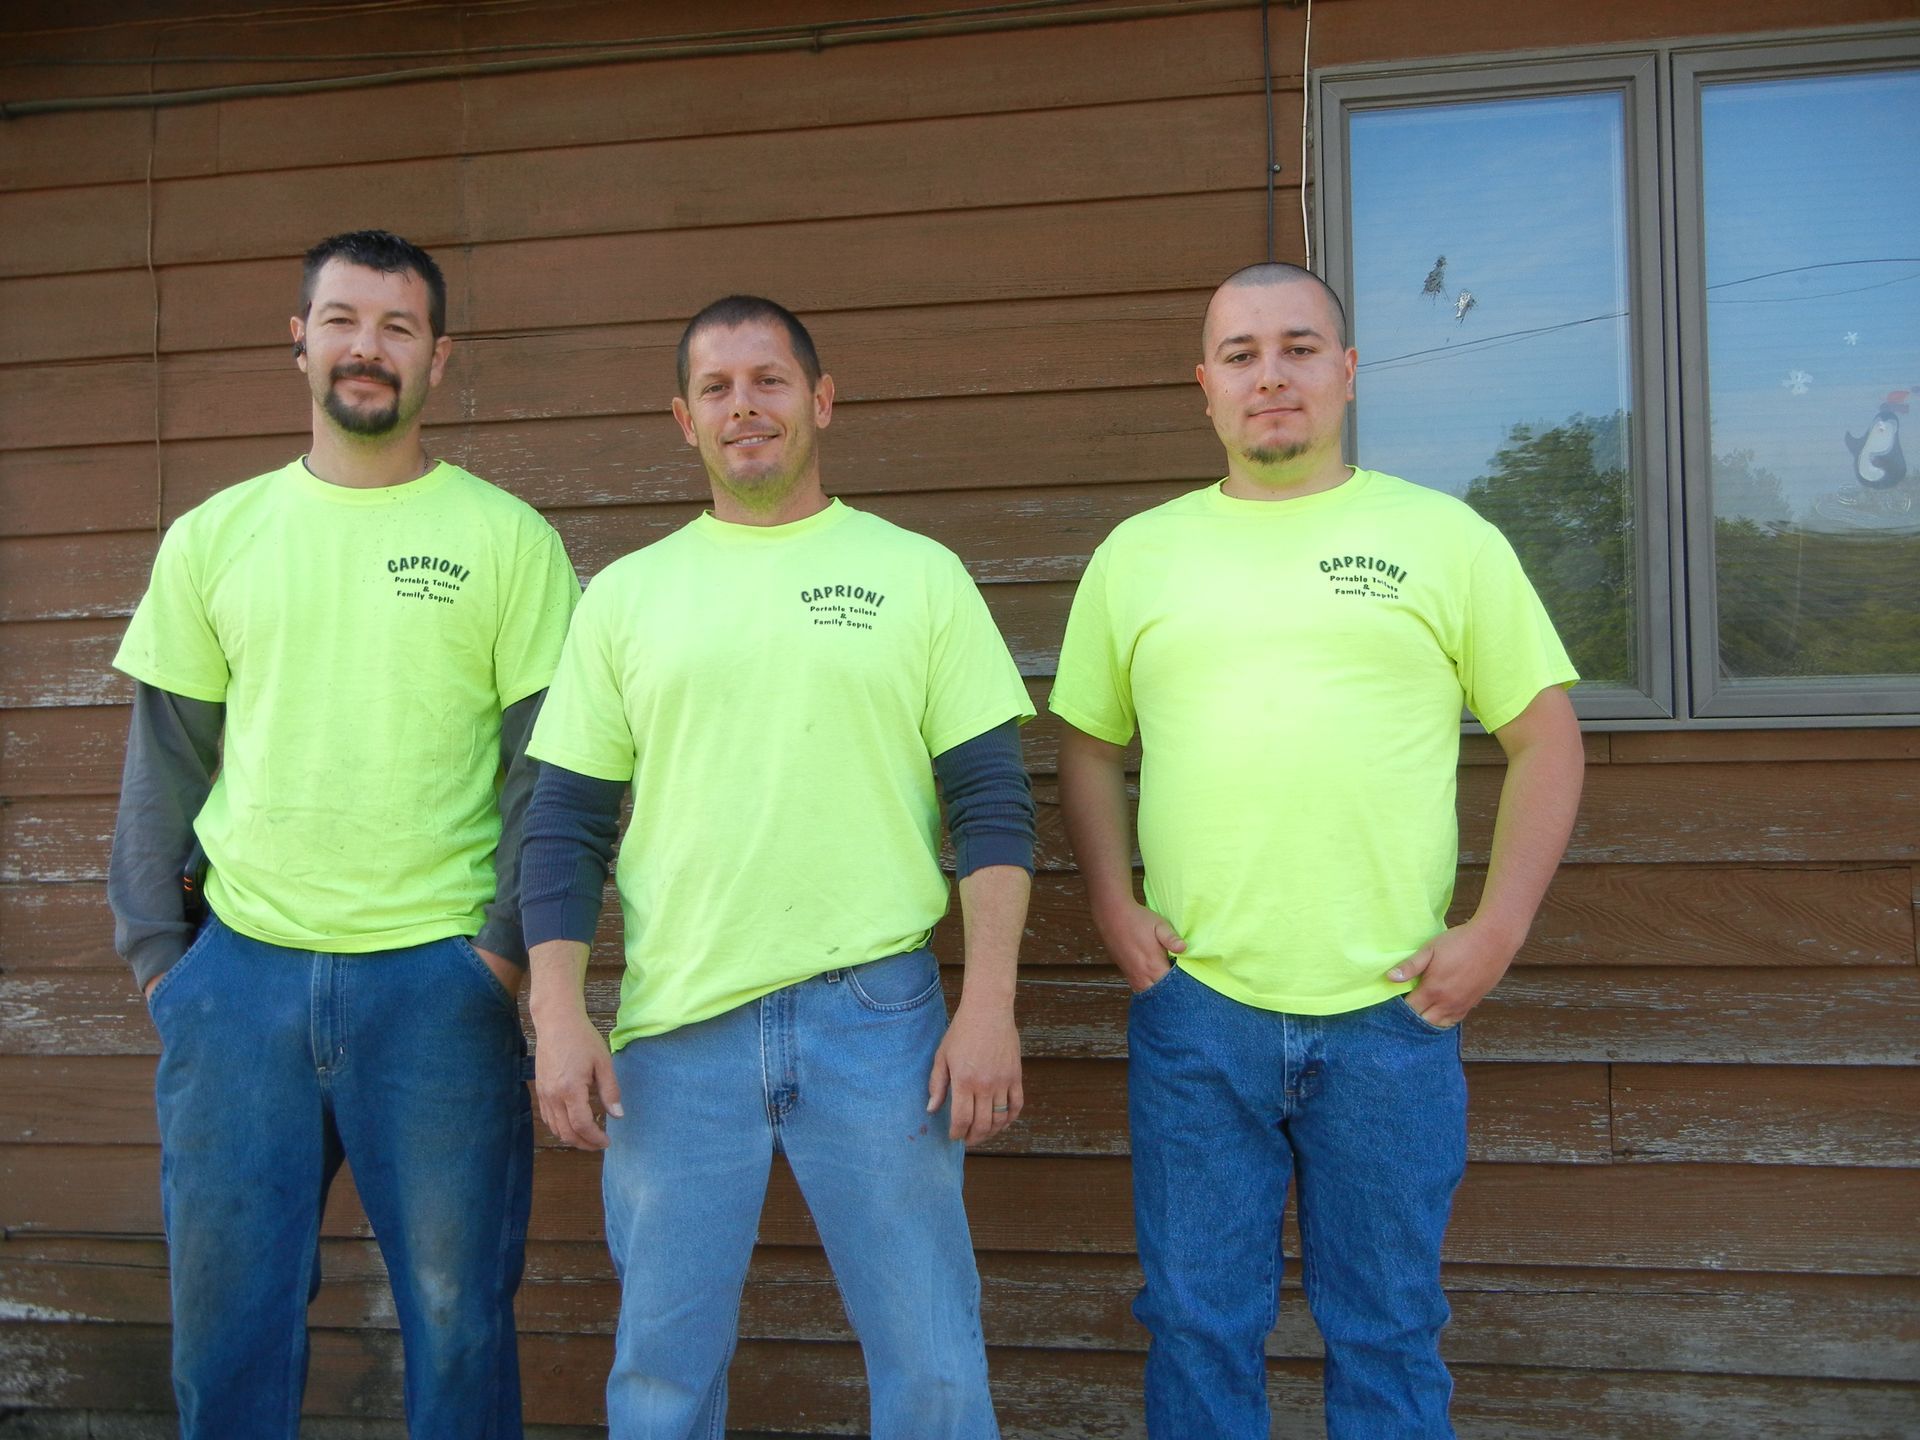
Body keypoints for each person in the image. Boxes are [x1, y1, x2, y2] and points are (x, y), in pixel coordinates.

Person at [1051, 262, 1585, 1439]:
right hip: (1199, 1009)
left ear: (1347, 372)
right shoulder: (1138, 554)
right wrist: (1111, 904)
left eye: (1299, 347)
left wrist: (1497, 930)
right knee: (1197, 1326)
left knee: (1388, 1330)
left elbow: (1547, 740)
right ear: (1205, 388)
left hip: (1395, 1013)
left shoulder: (1445, 538)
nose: (1271, 375)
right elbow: (1086, 750)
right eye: (1241, 355)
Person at [520, 294, 1035, 1440]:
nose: (745, 406)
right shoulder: (627, 598)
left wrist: (990, 1003)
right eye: (718, 388)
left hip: (879, 1018)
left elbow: (992, 806)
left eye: (770, 381)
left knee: (934, 1361)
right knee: (661, 1373)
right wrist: (557, 1014)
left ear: (823, 400)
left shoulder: (920, 575)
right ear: (683, 420)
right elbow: (563, 826)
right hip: (677, 1029)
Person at [108, 229, 580, 1440]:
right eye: (342, 320)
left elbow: (549, 774)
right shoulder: (217, 536)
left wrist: (501, 953)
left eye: (397, 327)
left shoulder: (509, 540)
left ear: (439, 359)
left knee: (458, 1322)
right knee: (228, 1330)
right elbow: (164, 757)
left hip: (438, 986)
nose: (366, 347)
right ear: (300, 341)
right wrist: (167, 963)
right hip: (239, 982)